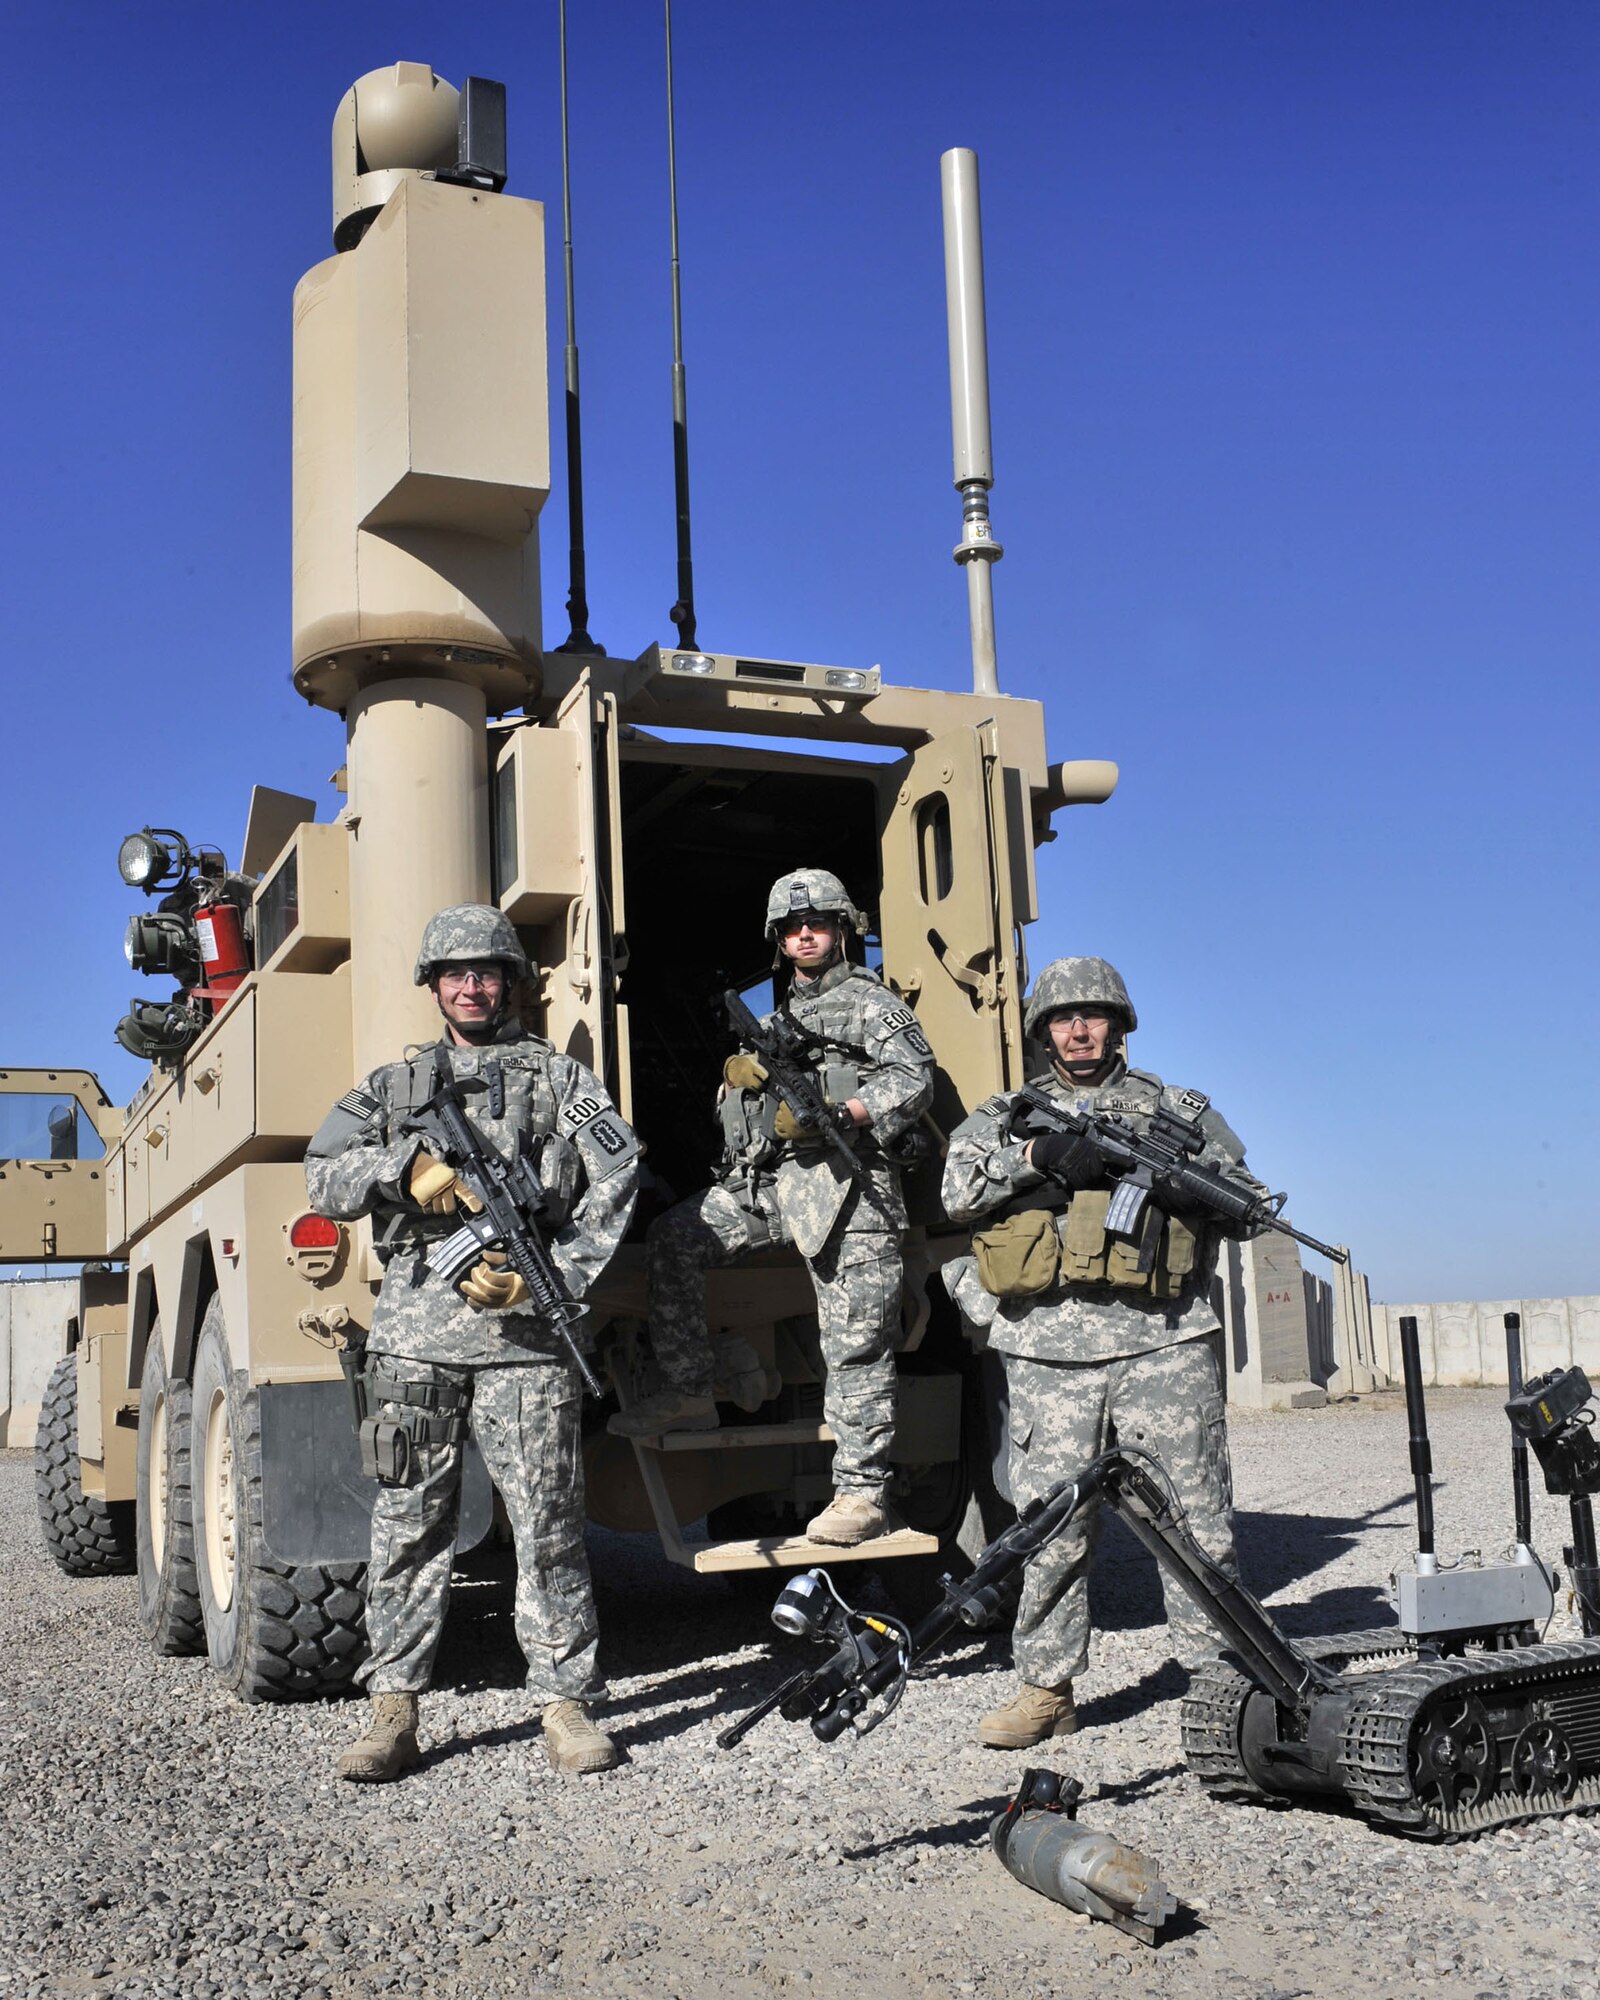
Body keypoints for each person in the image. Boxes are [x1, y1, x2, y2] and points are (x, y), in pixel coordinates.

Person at [305, 903, 640, 1781]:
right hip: (416, 1336)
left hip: (528, 1338)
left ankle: (565, 1704)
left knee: (550, 1526)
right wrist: (401, 1169)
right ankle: (394, 1709)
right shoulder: (393, 1087)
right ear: (433, 987)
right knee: (408, 1523)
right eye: (454, 973)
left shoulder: (561, 1080)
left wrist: (553, 1276)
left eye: (487, 971)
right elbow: (323, 1171)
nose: (471, 985)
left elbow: (617, 1168)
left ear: (512, 983)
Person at [940, 956, 1268, 1748]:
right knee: (1050, 1527)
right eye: (1063, 1017)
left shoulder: (1174, 1112)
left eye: (1094, 1015)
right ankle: (1047, 1690)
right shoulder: (1009, 1113)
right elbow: (955, 1193)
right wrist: (1036, 1160)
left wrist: (1189, 1184)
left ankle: (1219, 1688)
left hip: (1165, 1343)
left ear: (1119, 1024)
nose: (1079, 1029)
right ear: (1043, 1030)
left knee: (1195, 1523)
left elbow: (1250, 1204)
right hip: (1050, 1353)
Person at [609, 869, 935, 1546]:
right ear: (780, 942)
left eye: (817, 923)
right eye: (792, 928)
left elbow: (914, 1080)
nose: (805, 934)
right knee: (677, 1236)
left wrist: (843, 1111)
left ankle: (862, 1492)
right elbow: (752, 1118)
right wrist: (740, 1082)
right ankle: (691, 1388)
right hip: (780, 1188)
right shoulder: (781, 1020)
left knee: (854, 1344)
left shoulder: (874, 1007)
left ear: (844, 928)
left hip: (853, 1191)